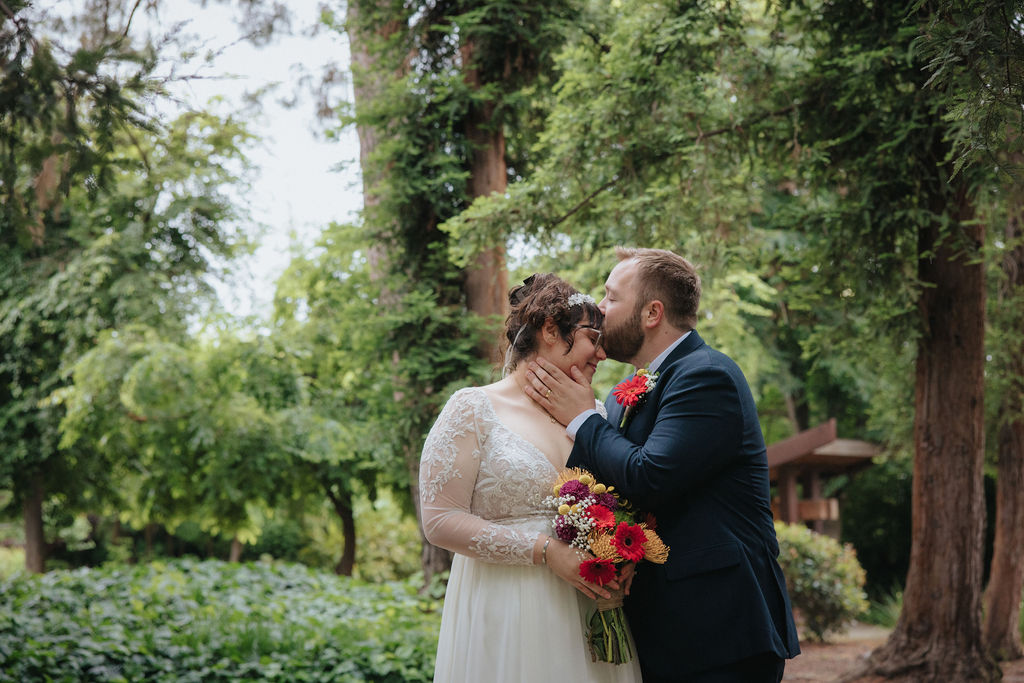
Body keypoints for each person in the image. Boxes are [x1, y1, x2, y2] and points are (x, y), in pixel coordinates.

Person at [524, 247, 801, 683]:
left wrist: (582, 418)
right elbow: (609, 492)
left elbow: (650, 477)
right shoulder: (619, 396)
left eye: (612, 297)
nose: (599, 308)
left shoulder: (707, 375)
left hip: (720, 630)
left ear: (652, 313)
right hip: (655, 632)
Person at [418, 273, 642, 683]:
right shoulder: (472, 408)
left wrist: (620, 553)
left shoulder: (595, 414)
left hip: (588, 608)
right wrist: (546, 551)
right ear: (550, 330)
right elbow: (438, 521)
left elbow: (620, 496)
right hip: (508, 607)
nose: (602, 353)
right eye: (593, 336)